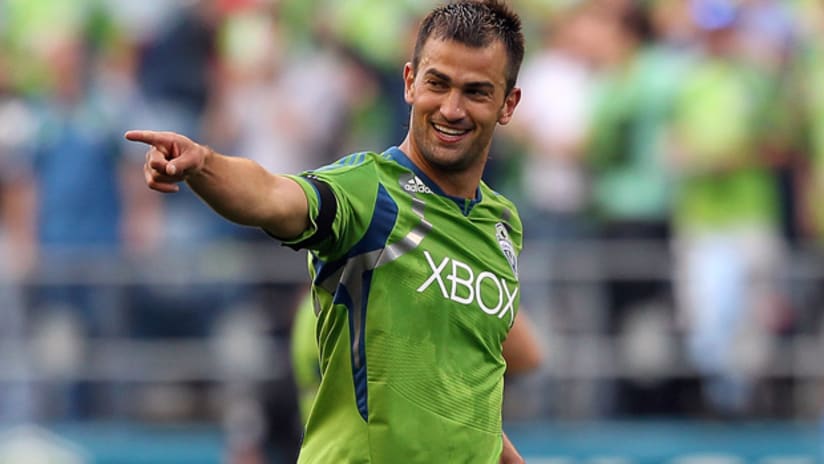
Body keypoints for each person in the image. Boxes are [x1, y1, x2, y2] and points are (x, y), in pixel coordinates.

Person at [125, 1, 528, 462]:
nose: (452, 108)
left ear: (507, 104)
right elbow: (273, 196)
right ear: (410, 82)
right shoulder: (370, 190)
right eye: (438, 84)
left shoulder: (501, 223)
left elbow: (468, 390)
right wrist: (205, 165)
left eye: (476, 92)